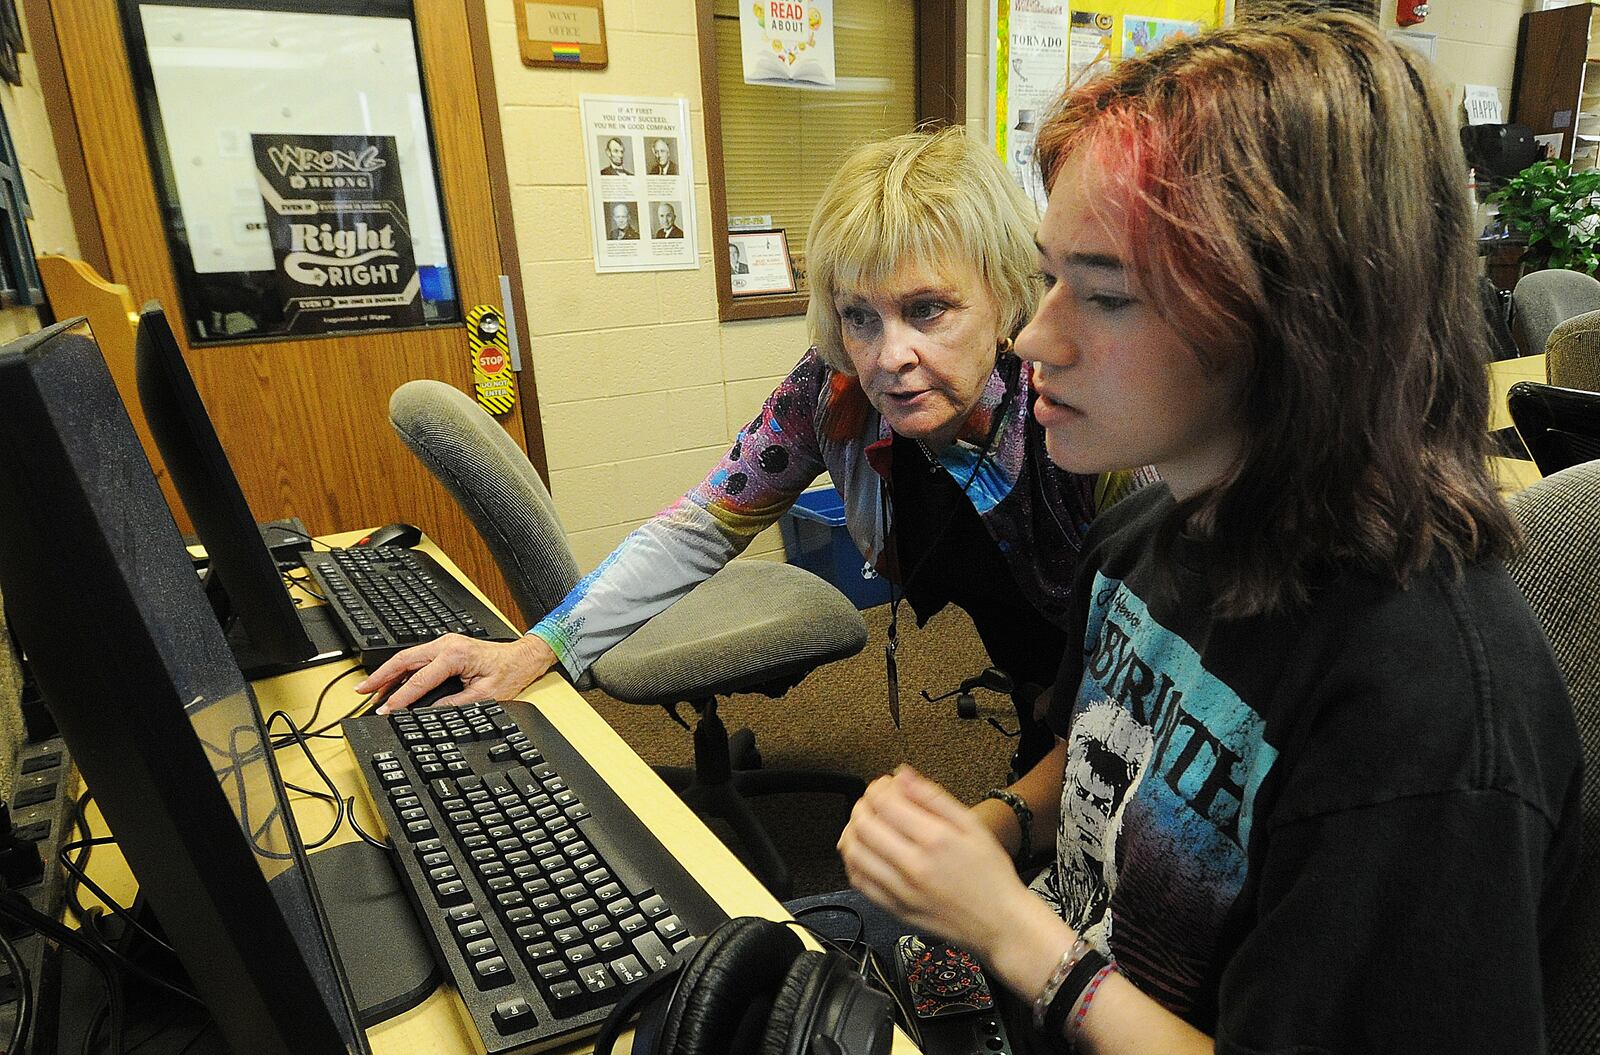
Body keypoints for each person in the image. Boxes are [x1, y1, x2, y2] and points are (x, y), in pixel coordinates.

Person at [836, 12, 1581, 1055]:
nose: (1036, 338)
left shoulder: (1427, 712)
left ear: (1293, 319)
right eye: (1049, 280)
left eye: (1102, 292)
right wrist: (994, 825)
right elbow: (1105, 748)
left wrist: (1012, 933)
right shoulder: (1153, 530)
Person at [360, 126, 1148, 775]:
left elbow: (1165, 647)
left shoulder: (1080, 408)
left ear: (1006, 292)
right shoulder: (831, 393)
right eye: (859, 316)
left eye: (928, 309)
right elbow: (702, 524)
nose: (887, 356)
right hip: (1037, 674)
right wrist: (538, 646)